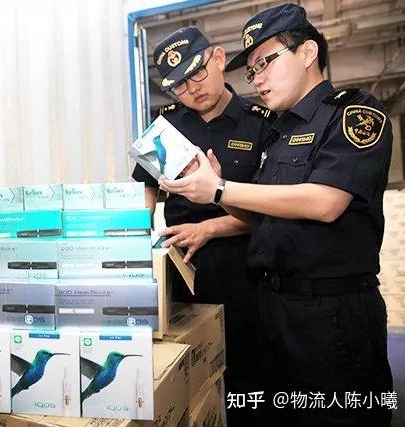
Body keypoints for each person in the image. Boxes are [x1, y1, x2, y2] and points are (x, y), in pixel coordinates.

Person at [160, 4, 393, 426]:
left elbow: (326, 202)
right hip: (273, 306)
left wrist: (221, 189)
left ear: (307, 53)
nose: (258, 79)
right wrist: (216, 191)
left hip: (332, 311)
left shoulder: (353, 113)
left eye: (265, 62)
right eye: (252, 71)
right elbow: (261, 217)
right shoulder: (280, 133)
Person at [132, 26, 274, 426]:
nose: (192, 89)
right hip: (185, 272)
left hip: (245, 272)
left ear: (218, 58)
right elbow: (144, 190)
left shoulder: (260, 123)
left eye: (197, 73)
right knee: (190, 377)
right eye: (179, 85)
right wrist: (136, 244)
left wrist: (208, 229)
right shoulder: (166, 127)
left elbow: (270, 210)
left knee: (248, 379)